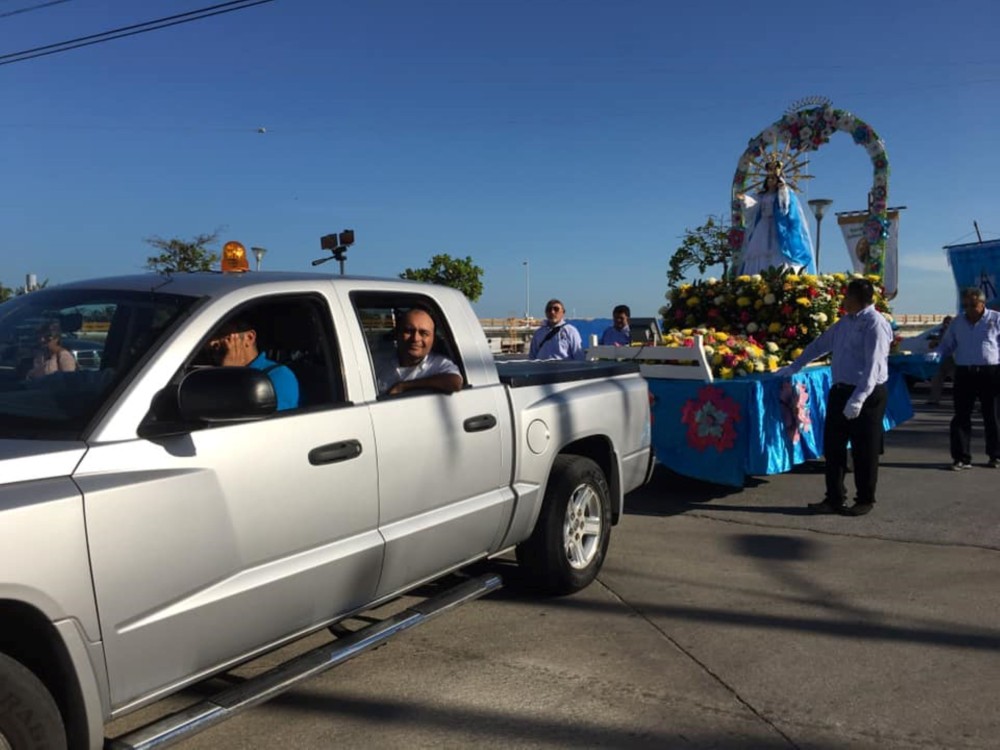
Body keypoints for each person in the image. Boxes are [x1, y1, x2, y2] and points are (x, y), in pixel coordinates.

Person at [779, 278, 892, 516]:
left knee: (864, 449)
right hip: (840, 390)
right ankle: (834, 497)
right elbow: (819, 345)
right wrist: (795, 366)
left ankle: (865, 499)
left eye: (847, 296)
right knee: (833, 447)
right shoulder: (845, 322)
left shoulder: (875, 323)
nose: (844, 300)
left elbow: (873, 366)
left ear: (858, 299)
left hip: (867, 393)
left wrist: (859, 398)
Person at [931, 288, 1000, 470]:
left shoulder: (995, 319)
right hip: (964, 372)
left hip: (990, 372)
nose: (969, 308)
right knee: (961, 416)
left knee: (993, 415)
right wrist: (936, 354)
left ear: (982, 304)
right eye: (966, 305)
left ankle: (995, 455)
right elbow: (947, 344)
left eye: (973, 305)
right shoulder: (958, 322)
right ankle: (961, 457)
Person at [737, 159, 816, 276]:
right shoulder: (761, 196)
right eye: (768, 178)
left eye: (773, 178)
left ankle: (779, 275)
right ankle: (757, 276)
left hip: (778, 227)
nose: (770, 181)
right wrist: (744, 199)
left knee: (778, 250)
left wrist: (783, 190)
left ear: (778, 179)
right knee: (759, 251)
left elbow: (784, 209)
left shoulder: (784, 193)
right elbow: (753, 206)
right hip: (762, 227)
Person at [206, 317, 300, 411]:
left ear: (249, 338)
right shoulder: (210, 372)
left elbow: (266, 419)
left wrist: (231, 374)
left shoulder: (278, 375)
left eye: (222, 334)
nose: (212, 343)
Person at [375, 307, 463, 395]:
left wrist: (403, 386)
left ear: (434, 339)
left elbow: (455, 383)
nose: (415, 338)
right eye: (409, 331)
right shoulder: (377, 361)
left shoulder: (439, 364)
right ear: (397, 334)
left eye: (424, 333)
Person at [927, 315, 954, 405]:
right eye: (945, 322)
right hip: (939, 359)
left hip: (952, 359)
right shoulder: (939, 333)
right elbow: (930, 345)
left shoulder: (955, 332)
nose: (946, 324)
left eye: (948, 323)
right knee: (936, 380)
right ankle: (934, 400)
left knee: (958, 380)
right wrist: (934, 343)